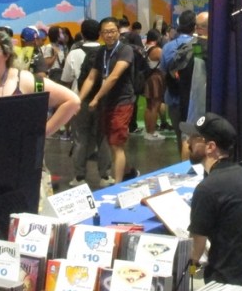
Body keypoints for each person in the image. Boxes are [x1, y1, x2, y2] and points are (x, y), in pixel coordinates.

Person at [185, 113, 242, 285]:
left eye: (194, 138)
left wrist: (189, 272)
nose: (188, 142)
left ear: (210, 147)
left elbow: (195, 251)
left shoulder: (207, 189)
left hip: (226, 284)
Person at [0, 30, 80, 136]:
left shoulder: (24, 79)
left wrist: (42, 134)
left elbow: (73, 101)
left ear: (6, 54)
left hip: (18, 144)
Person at [79, 17, 136, 184]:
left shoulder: (125, 49)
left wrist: (96, 98)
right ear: (100, 34)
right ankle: (129, 171)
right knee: (113, 143)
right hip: (107, 103)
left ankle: (117, 185)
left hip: (122, 101)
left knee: (116, 144)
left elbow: (114, 77)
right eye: (105, 32)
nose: (109, 35)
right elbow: (91, 77)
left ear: (118, 32)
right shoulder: (101, 52)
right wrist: (78, 100)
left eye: (112, 31)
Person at [62, 19, 113, 186]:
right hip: (103, 99)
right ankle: (105, 176)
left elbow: (66, 78)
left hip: (80, 99)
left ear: (82, 34)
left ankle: (79, 177)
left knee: (80, 138)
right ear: (99, 33)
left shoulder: (74, 53)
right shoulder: (106, 52)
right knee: (102, 138)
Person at [163, 10, 197, 158]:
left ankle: (184, 165)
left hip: (174, 97)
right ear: (195, 26)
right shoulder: (199, 45)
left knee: (181, 137)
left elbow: (163, 70)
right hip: (195, 98)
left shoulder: (168, 47)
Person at [142, 29, 168, 141]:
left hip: (148, 78)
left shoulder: (145, 47)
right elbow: (166, 62)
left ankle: (148, 130)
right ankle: (152, 132)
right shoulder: (157, 50)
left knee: (149, 106)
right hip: (156, 78)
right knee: (155, 106)